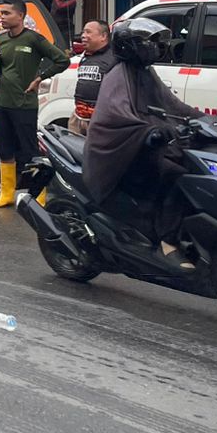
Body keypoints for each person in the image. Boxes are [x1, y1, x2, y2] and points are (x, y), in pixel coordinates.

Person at [83, 18, 200, 259]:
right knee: (177, 177)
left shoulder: (145, 73)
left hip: (148, 147)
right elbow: (118, 114)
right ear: (131, 46)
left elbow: (173, 104)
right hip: (124, 153)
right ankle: (167, 241)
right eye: (149, 43)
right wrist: (150, 131)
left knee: (193, 167)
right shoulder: (117, 75)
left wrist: (206, 119)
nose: (156, 48)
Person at [0, 0, 69, 208]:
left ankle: (38, 196)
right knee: (4, 150)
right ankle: (6, 194)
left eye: (6, 13)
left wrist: (40, 78)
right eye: (1, 14)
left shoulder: (34, 39)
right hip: (1, 104)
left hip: (24, 105)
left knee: (30, 152)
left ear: (20, 15)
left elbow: (62, 60)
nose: (2, 17)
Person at [70, 19, 115, 135]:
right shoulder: (85, 56)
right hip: (78, 117)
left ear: (103, 36)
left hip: (101, 121)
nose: (83, 36)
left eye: (88, 32)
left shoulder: (114, 58)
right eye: (83, 32)